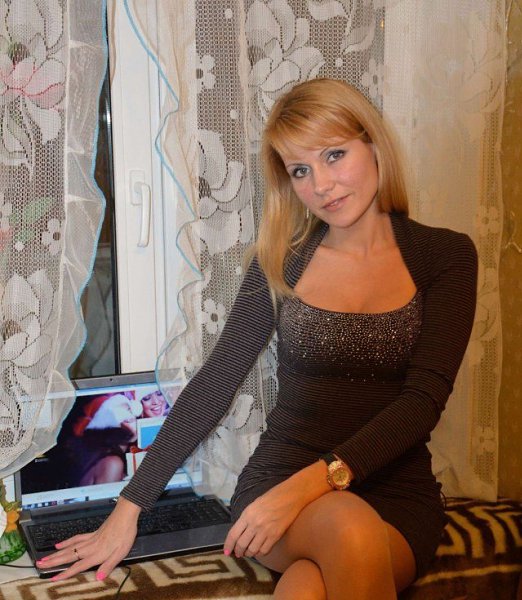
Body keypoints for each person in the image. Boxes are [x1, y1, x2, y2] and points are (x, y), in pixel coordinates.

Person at [39, 78, 477, 599]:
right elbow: (215, 383)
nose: (322, 184)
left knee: (307, 586)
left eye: (334, 155)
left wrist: (306, 488)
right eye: (300, 170)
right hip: (279, 478)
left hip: (395, 493)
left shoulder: (446, 256)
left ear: (374, 145)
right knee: (349, 529)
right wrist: (128, 510)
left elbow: (421, 403)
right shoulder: (281, 263)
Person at [66, 393, 140, 486]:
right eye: (126, 419)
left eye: (132, 414)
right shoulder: (112, 463)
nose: (134, 421)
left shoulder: (106, 457)